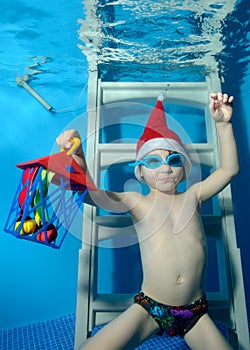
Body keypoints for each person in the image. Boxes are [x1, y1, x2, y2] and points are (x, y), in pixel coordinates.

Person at [56, 92, 238, 350]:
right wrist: (78, 155)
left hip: (195, 312)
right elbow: (92, 195)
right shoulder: (137, 202)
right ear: (140, 171)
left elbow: (229, 170)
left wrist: (223, 125)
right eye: (154, 161)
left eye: (173, 160)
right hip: (151, 308)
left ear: (184, 169)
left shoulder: (194, 195)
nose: (165, 168)